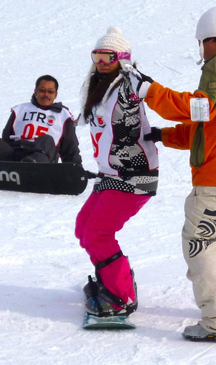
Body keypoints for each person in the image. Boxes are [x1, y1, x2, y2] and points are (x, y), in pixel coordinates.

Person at [126, 6, 216, 342]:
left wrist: (149, 91)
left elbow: (198, 107)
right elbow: (212, 125)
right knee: (213, 236)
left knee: (199, 240)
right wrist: (163, 135)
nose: (201, 52)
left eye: (200, 44)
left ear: (207, 39)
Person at [75, 27, 159, 321]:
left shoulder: (127, 84)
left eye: (108, 56)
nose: (100, 61)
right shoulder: (100, 88)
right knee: (83, 227)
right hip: (110, 174)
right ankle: (112, 279)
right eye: (97, 55)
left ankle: (122, 296)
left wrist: (194, 110)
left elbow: (149, 90)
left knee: (98, 233)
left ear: (121, 59)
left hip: (133, 176)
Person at [0, 75, 82, 164]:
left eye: (50, 91)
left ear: (55, 94)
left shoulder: (63, 115)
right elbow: (6, 137)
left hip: (43, 157)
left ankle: (33, 165)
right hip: (15, 154)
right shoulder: (20, 109)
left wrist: (75, 169)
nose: (46, 94)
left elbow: (70, 146)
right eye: (42, 90)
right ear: (35, 91)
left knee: (47, 139)